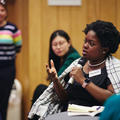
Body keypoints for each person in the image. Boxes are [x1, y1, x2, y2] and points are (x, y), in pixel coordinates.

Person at [28, 20, 120, 120]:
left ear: (104, 49)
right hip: (70, 113)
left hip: (95, 116)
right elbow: (64, 98)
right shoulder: (78, 63)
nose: (85, 45)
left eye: (91, 43)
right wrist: (55, 80)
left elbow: (112, 99)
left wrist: (83, 81)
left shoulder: (112, 68)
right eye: (85, 41)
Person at [31, 30, 81, 105]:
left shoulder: (73, 57)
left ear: (69, 43)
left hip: (72, 97)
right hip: (63, 94)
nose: (58, 47)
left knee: (40, 89)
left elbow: (58, 80)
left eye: (61, 43)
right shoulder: (59, 59)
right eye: (54, 44)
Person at [0, 1, 22, 120]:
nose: (0, 13)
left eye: (2, 10)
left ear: (6, 12)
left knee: (4, 101)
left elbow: (18, 48)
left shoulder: (13, 29)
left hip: (7, 69)